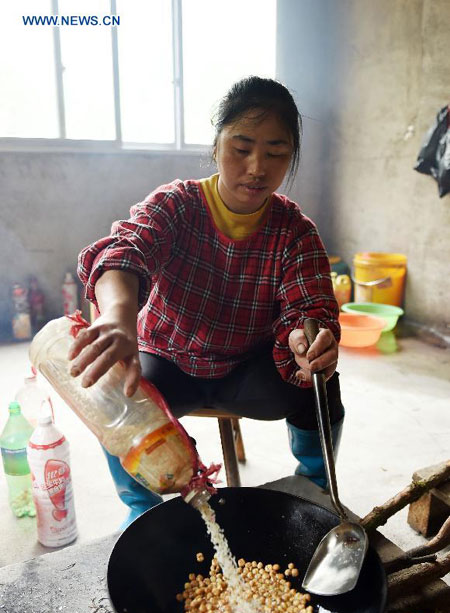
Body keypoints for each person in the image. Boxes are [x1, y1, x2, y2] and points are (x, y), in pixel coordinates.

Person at [71, 76, 345, 527]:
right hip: (167, 361)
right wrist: (120, 319)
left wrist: (305, 338)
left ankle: (313, 489)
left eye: (276, 153)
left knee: (321, 383)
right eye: (242, 148)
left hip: (247, 370)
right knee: (113, 388)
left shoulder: (295, 231)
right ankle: (141, 512)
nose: (257, 167)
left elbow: (309, 304)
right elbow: (124, 252)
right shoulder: (176, 204)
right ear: (216, 144)